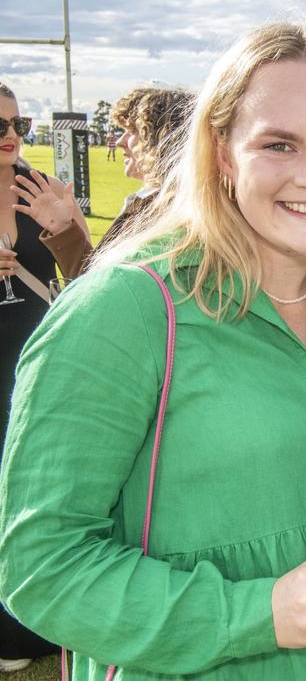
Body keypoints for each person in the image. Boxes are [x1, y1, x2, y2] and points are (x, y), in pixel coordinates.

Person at [0, 24, 306, 681]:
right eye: (279, 144)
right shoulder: (124, 310)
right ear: (223, 152)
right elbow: (39, 565)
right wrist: (255, 612)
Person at [0, 81, 92, 673]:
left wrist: (69, 231)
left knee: (30, 489)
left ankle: (29, 630)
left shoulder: (36, 187)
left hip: (35, 360)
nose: (10, 138)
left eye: (17, 125)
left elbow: (90, 278)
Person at [95, 87, 195, 254]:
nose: (120, 141)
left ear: (162, 140)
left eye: (132, 131)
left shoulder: (170, 215)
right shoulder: (148, 202)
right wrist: (65, 230)